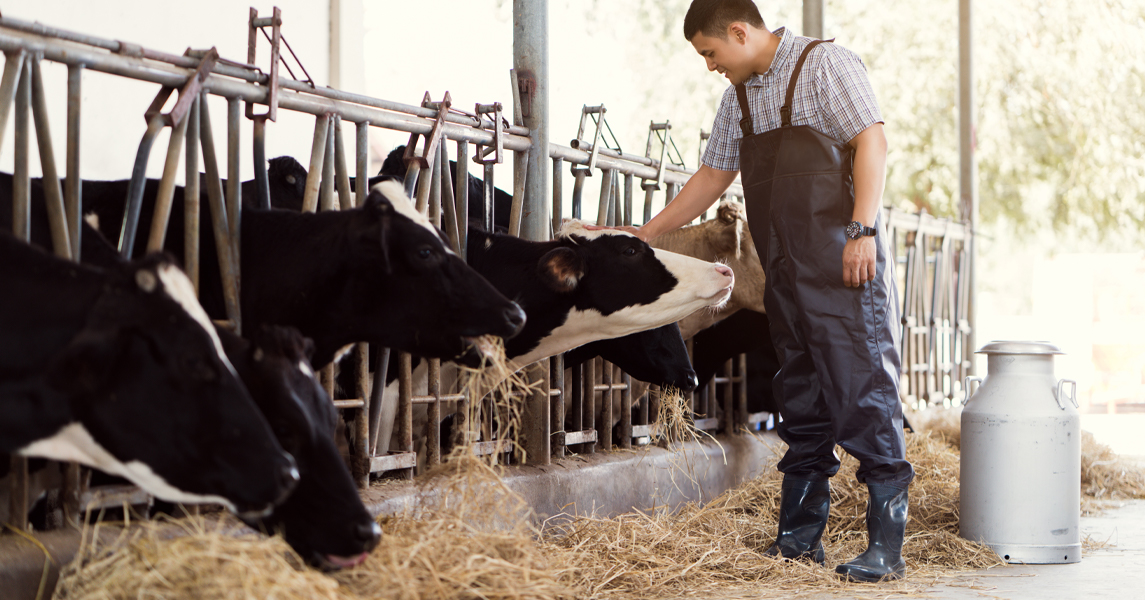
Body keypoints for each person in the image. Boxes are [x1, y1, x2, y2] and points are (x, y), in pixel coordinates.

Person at [598, 0, 914, 583]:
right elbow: (713, 177)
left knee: (863, 388)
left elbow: (871, 140)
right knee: (801, 393)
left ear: (739, 32)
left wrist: (863, 229)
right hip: (784, 276)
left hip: (845, 264)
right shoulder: (739, 98)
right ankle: (798, 542)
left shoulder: (826, 66)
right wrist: (643, 235)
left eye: (711, 53)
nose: (710, 66)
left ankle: (886, 547)